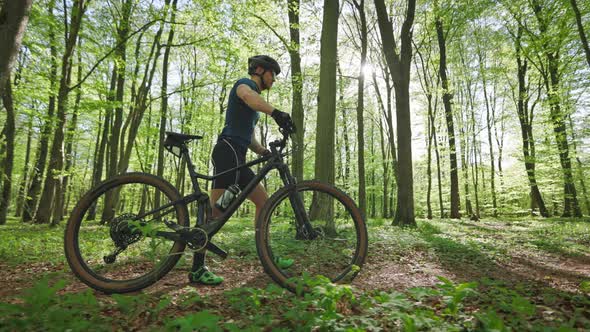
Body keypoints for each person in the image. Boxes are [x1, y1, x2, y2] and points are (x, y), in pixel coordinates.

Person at [189, 55, 295, 285]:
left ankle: (267, 257)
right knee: (216, 214)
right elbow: (249, 98)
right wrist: (276, 112)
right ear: (259, 70)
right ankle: (197, 268)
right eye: (272, 74)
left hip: (238, 154)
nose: (274, 80)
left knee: (264, 204)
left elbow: (247, 138)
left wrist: (261, 152)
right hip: (227, 153)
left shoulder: (253, 104)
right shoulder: (244, 86)